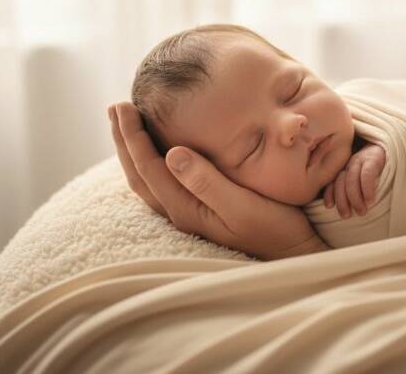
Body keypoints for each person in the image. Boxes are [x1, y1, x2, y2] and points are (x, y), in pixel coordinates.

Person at [108, 23, 387, 261]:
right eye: (254, 145)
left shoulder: (373, 107)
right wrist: (295, 248)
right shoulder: (266, 226)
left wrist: (383, 142)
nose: (291, 124)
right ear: (224, 185)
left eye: (294, 90)